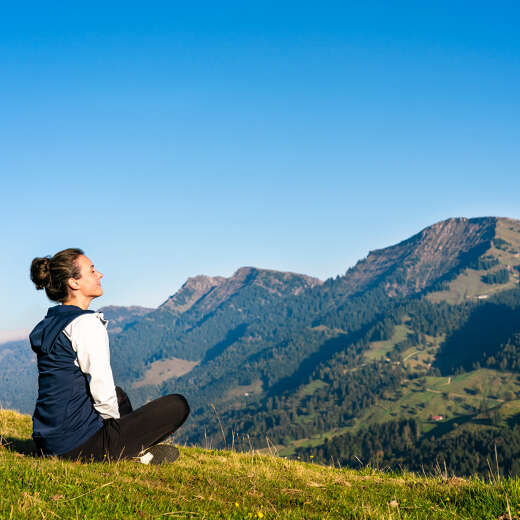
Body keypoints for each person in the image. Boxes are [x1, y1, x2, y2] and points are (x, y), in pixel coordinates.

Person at [29, 248, 190, 464]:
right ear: (74, 283)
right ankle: (130, 453)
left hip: (48, 442)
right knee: (178, 405)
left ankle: (128, 446)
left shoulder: (53, 322)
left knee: (119, 394)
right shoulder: (85, 324)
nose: (100, 275)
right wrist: (118, 432)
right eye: (92, 271)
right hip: (76, 446)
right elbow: (100, 385)